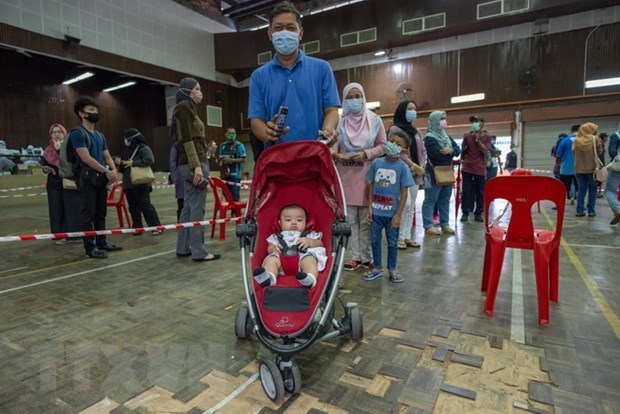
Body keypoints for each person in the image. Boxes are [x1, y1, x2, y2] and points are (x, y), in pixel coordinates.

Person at [248, 1, 340, 146]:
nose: (284, 33)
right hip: (277, 159)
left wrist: (326, 133)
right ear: (270, 33)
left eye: (291, 28)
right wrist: (267, 133)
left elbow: (332, 111)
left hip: (314, 155)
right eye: (278, 28)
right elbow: (255, 121)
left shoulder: (322, 68)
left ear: (300, 33)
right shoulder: (258, 76)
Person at [331, 82, 386, 272]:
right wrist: (336, 155)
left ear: (363, 97)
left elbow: (383, 145)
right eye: (350, 97)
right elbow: (330, 145)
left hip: (367, 176)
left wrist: (365, 154)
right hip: (345, 176)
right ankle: (355, 257)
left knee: (367, 219)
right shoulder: (338, 121)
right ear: (344, 100)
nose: (355, 100)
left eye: (358, 96)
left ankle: (367, 256)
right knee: (351, 220)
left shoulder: (375, 120)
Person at [172, 77, 220, 262]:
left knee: (187, 208)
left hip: (190, 163)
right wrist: (198, 166)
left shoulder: (187, 108)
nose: (200, 92)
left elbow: (193, 142)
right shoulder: (185, 108)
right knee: (196, 209)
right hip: (193, 165)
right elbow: (188, 140)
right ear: (188, 91)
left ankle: (183, 248)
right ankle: (199, 251)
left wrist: (207, 151)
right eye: (197, 89)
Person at [69, 96, 121, 259]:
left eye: (96, 110)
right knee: (88, 214)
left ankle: (102, 242)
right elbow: (85, 158)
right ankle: (89, 247)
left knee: (101, 212)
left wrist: (113, 170)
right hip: (87, 178)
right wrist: (106, 170)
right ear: (81, 113)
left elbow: (106, 155)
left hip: (101, 178)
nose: (94, 113)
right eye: (91, 110)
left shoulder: (100, 135)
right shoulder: (77, 133)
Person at [363, 129, 414, 283]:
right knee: (375, 240)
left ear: (403, 149)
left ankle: (392, 268)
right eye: (391, 141)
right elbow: (370, 185)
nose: (393, 145)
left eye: (398, 144)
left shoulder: (403, 167)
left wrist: (398, 215)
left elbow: (404, 193)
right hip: (376, 213)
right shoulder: (377, 163)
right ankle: (377, 267)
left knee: (392, 242)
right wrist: (370, 207)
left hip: (392, 215)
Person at [252, 204, 326, 289]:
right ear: (280, 223)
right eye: (288, 220)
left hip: (302, 258)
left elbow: (320, 244)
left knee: (310, 261)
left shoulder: (309, 235)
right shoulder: (277, 236)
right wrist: (273, 249)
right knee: (271, 260)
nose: (294, 222)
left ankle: (309, 279)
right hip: (281, 260)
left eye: (299, 220)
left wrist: (310, 242)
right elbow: (269, 248)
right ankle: (269, 277)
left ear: (305, 223)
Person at [387, 100, 426, 250]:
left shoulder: (417, 132)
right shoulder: (394, 129)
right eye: (409, 108)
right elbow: (397, 152)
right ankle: (399, 237)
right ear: (402, 110)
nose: (412, 111)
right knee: (405, 204)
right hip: (402, 172)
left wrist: (421, 166)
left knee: (411, 207)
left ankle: (407, 236)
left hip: (416, 174)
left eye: (414, 109)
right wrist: (413, 165)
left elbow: (423, 151)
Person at [422, 111, 461, 235]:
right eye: (441, 119)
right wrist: (451, 152)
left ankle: (445, 224)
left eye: (445, 118)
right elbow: (438, 155)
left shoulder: (446, 136)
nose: (444, 121)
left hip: (447, 172)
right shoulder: (429, 138)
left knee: (445, 199)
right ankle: (428, 225)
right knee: (430, 199)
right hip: (433, 172)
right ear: (434, 120)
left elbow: (458, 150)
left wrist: (450, 150)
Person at [119, 128, 162, 235]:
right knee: (133, 207)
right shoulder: (126, 151)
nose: (124, 141)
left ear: (131, 139)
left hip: (141, 183)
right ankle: (137, 228)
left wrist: (133, 163)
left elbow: (149, 159)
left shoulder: (143, 148)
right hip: (129, 183)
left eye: (126, 139)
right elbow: (123, 166)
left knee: (145, 206)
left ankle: (156, 227)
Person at [460, 115, 492, 222]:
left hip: (480, 168)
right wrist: (462, 158)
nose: (474, 123)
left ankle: (479, 212)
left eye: (477, 121)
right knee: (466, 191)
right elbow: (463, 150)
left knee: (480, 192)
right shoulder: (467, 136)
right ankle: (465, 212)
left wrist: (478, 140)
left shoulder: (487, 137)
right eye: (473, 122)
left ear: (482, 124)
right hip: (467, 167)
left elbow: (484, 151)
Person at [42, 123, 68, 244]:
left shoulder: (70, 148)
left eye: (59, 132)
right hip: (53, 183)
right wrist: (45, 169)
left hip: (68, 181)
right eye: (54, 132)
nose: (56, 134)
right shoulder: (47, 150)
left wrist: (59, 150)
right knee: (56, 209)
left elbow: (68, 163)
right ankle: (59, 235)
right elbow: (44, 165)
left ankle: (72, 234)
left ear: (64, 133)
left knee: (69, 208)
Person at [572, 122, 602, 217]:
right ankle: (591, 211)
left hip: (579, 169)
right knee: (593, 190)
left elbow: (573, 153)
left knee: (581, 189)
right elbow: (600, 152)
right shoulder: (595, 139)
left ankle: (579, 211)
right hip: (592, 169)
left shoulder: (576, 140)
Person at [218, 127, 246, 201]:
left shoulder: (239, 145)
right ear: (226, 134)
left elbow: (243, 159)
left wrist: (231, 160)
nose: (232, 135)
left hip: (235, 175)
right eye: (230, 133)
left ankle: (234, 212)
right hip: (225, 175)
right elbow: (220, 158)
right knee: (226, 196)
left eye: (233, 133)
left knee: (235, 197)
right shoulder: (222, 146)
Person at [556, 125, 580, 204]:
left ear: (571, 131)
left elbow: (558, 154)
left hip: (566, 168)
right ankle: (580, 203)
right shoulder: (584, 140)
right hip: (581, 168)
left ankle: (561, 202)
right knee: (579, 185)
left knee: (564, 186)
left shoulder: (564, 140)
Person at [169, 141, 184, 223]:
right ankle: (181, 221)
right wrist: (174, 177)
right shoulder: (176, 145)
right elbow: (172, 161)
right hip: (180, 176)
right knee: (181, 200)